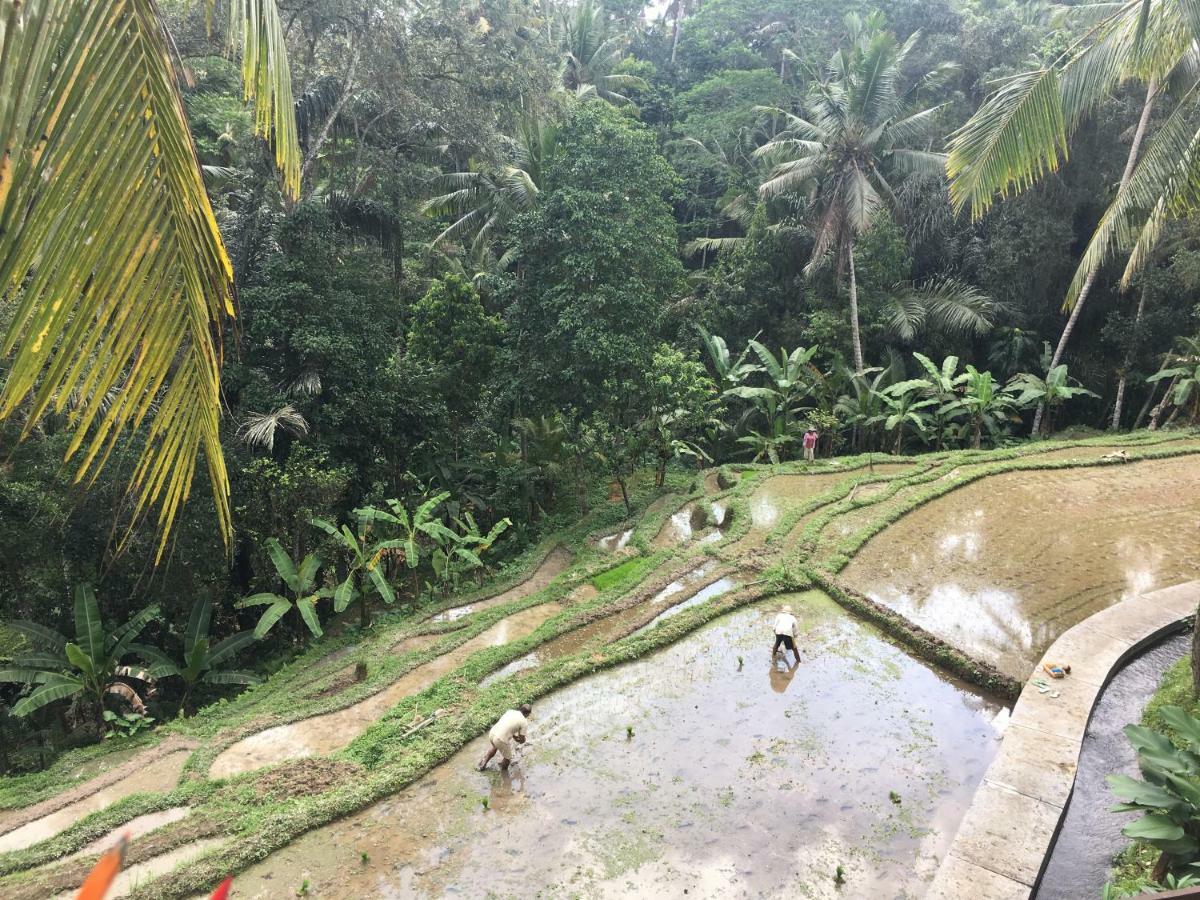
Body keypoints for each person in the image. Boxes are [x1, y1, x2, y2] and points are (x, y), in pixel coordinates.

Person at [478, 703, 532, 771]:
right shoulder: (524, 722)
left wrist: (513, 736)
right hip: (500, 739)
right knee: (508, 759)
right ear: (527, 714)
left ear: (520, 709)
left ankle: (483, 763)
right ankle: (504, 774)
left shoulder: (510, 711)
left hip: (492, 732)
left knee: (495, 746)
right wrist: (521, 740)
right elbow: (521, 739)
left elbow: (507, 725)